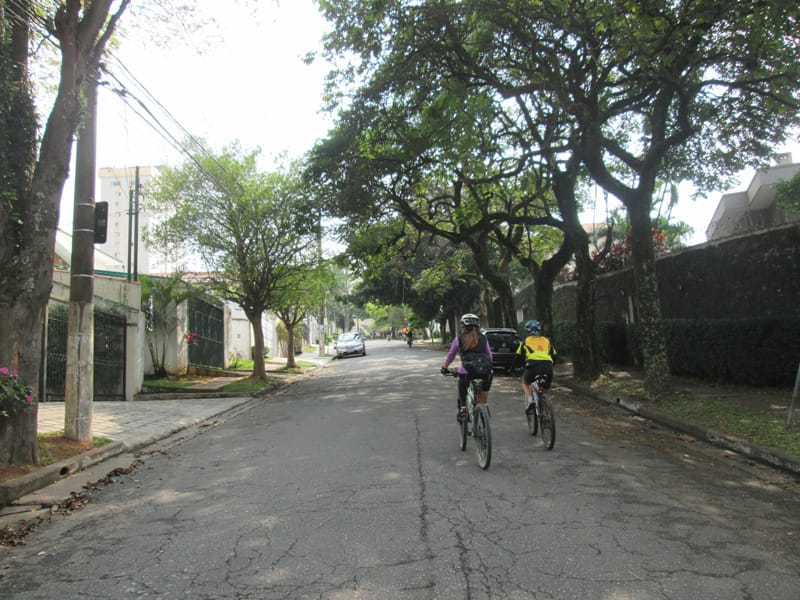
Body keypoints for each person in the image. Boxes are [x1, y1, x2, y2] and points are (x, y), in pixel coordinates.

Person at [441, 313, 494, 422]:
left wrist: (444, 368)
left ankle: (463, 408)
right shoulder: (484, 338)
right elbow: (490, 356)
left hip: (467, 372)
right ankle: (485, 421)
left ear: (463, 327)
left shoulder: (459, 339)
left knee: (462, 385)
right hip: (486, 372)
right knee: (483, 401)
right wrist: (485, 367)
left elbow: (451, 355)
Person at [516, 319, 557, 414]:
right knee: (545, 390)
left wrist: (515, 368)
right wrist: (552, 366)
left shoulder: (525, 341)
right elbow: (554, 355)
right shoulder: (546, 341)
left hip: (533, 365)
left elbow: (518, 357)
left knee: (525, 382)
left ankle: (530, 399)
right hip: (548, 366)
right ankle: (548, 415)